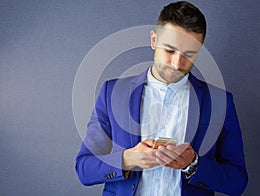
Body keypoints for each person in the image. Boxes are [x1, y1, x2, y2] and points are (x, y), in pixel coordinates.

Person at [75, 1, 248, 195]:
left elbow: (237, 182)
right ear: (154, 40)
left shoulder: (220, 103)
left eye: (189, 54)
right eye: (170, 50)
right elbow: (84, 168)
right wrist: (128, 159)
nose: (177, 64)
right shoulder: (112, 92)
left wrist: (194, 164)